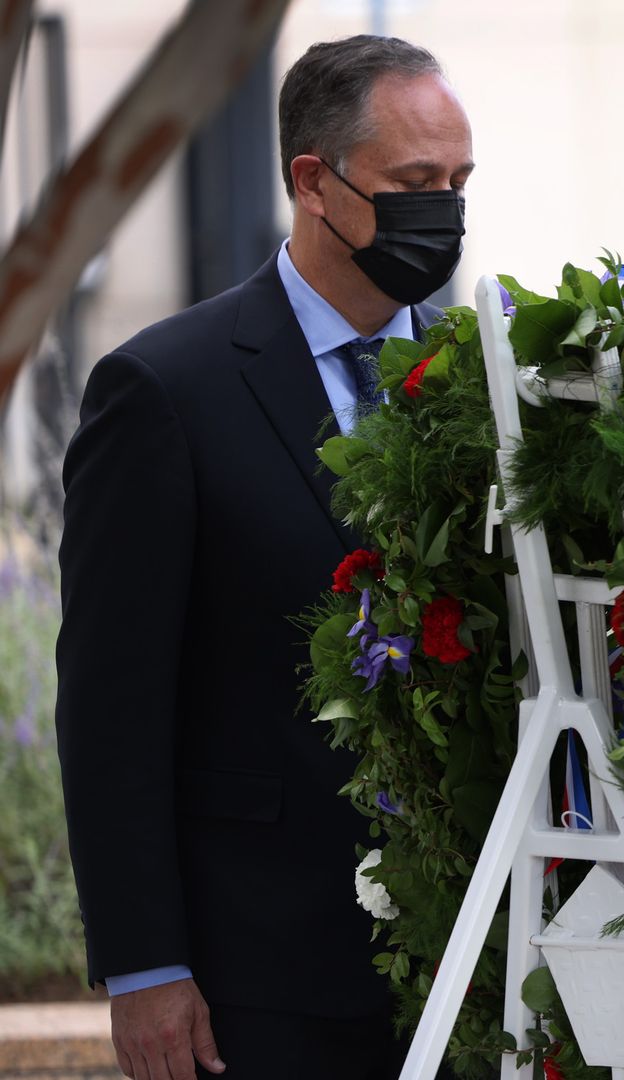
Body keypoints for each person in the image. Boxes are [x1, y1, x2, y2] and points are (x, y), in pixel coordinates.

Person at [56, 36, 472, 1080]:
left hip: (467, 958)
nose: (445, 210)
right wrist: (145, 965)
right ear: (314, 183)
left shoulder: (478, 381)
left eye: (460, 182)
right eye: (415, 184)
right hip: (260, 971)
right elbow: (111, 703)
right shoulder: (163, 389)